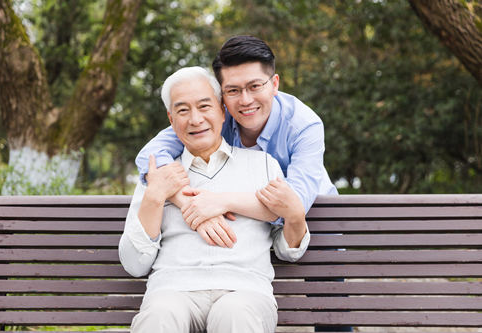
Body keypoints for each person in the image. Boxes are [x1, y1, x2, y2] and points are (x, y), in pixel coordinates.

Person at [119, 66, 310, 333]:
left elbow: (287, 249)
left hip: (244, 291)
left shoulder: (263, 165)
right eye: (183, 110)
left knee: (234, 314)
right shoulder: (160, 173)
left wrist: (295, 217)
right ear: (171, 120)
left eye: (204, 106)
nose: (195, 119)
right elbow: (134, 264)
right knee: (159, 316)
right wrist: (154, 197)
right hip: (173, 289)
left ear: (222, 111)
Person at [135, 35, 337, 247]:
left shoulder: (304, 125)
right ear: (222, 97)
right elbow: (150, 155)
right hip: (253, 236)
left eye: (255, 86)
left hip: (320, 225)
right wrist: (188, 203)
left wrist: (221, 201)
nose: (245, 100)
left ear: (274, 84)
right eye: (233, 90)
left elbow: (294, 204)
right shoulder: (215, 118)